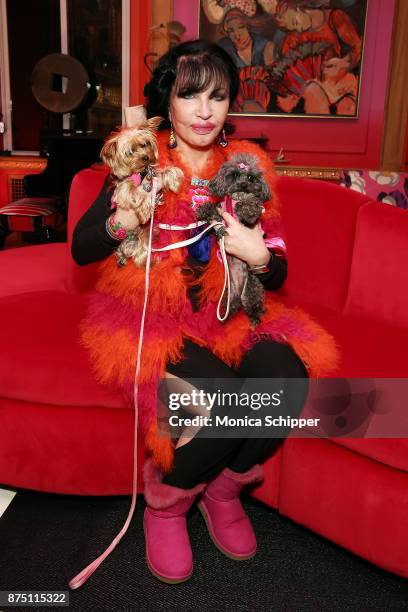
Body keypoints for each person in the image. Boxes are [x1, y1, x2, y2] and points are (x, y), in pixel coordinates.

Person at [71, 39, 339, 585]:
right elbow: (81, 247)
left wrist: (259, 254)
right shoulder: (142, 160)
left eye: (216, 97)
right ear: (168, 100)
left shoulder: (246, 168)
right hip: (149, 319)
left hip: (229, 317)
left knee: (285, 374)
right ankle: (166, 505)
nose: (203, 110)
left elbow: (278, 268)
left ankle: (224, 487)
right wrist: (128, 216)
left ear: (228, 105)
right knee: (217, 399)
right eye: (190, 94)